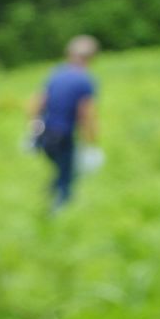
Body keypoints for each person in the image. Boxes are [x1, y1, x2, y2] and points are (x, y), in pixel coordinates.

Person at [29, 35, 101, 210]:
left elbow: (35, 103)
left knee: (62, 168)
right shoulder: (85, 81)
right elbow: (85, 114)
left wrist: (33, 130)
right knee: (68, 177)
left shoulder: (55, 73)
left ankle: (51, 190)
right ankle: (57, 213)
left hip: (45, 136)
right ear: (91, 58)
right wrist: (91, 141)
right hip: (63, 136)